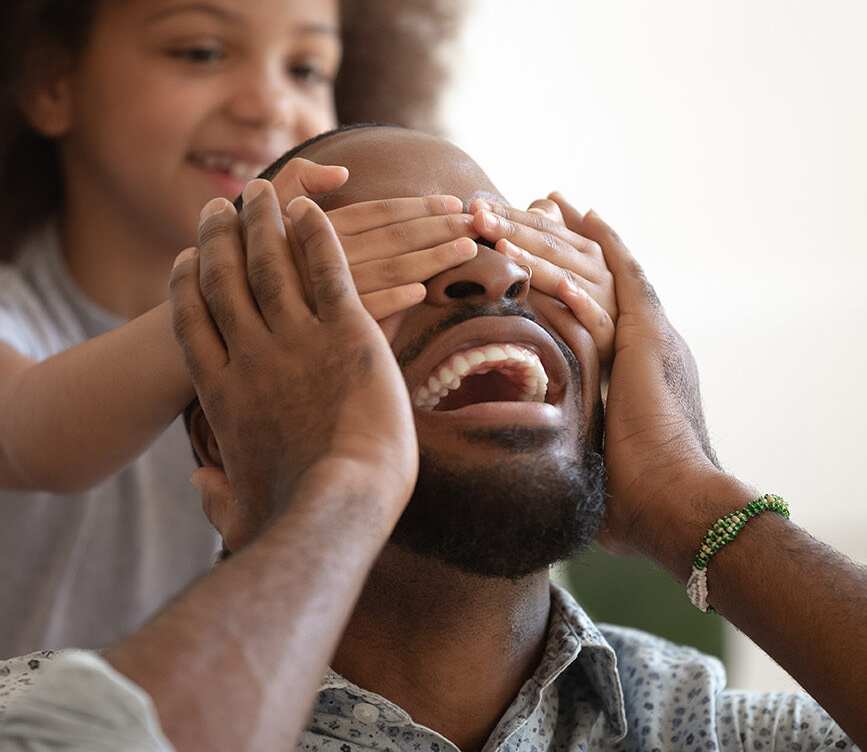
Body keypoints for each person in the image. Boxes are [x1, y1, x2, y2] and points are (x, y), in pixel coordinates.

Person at [2, 125, 862, 750]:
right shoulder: (39, 709)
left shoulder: (704, 732)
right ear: (222, 441)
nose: (493, 272)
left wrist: (688, 492)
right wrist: (340, 487)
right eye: (376, 266)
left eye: (511, 245)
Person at [0, 0, 486, 657]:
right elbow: (28, 434)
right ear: (51, 82)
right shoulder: (15, 319)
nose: (270, 104)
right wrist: (234, 292)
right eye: (200, 52)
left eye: (306, 66)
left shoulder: (344, 337)